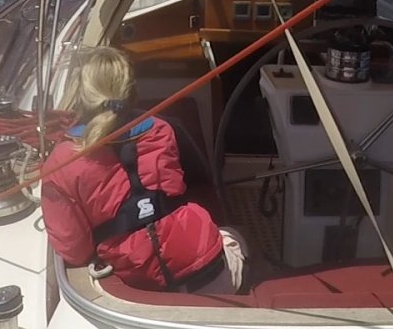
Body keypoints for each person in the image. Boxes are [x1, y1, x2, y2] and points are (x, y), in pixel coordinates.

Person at [40, 46, 246, 292]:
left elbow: (74, 252)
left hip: (142, 285)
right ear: (132, 92)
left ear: (80, 97)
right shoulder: (162, 129)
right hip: (212, 275)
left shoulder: (61, 162)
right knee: (238, 236)